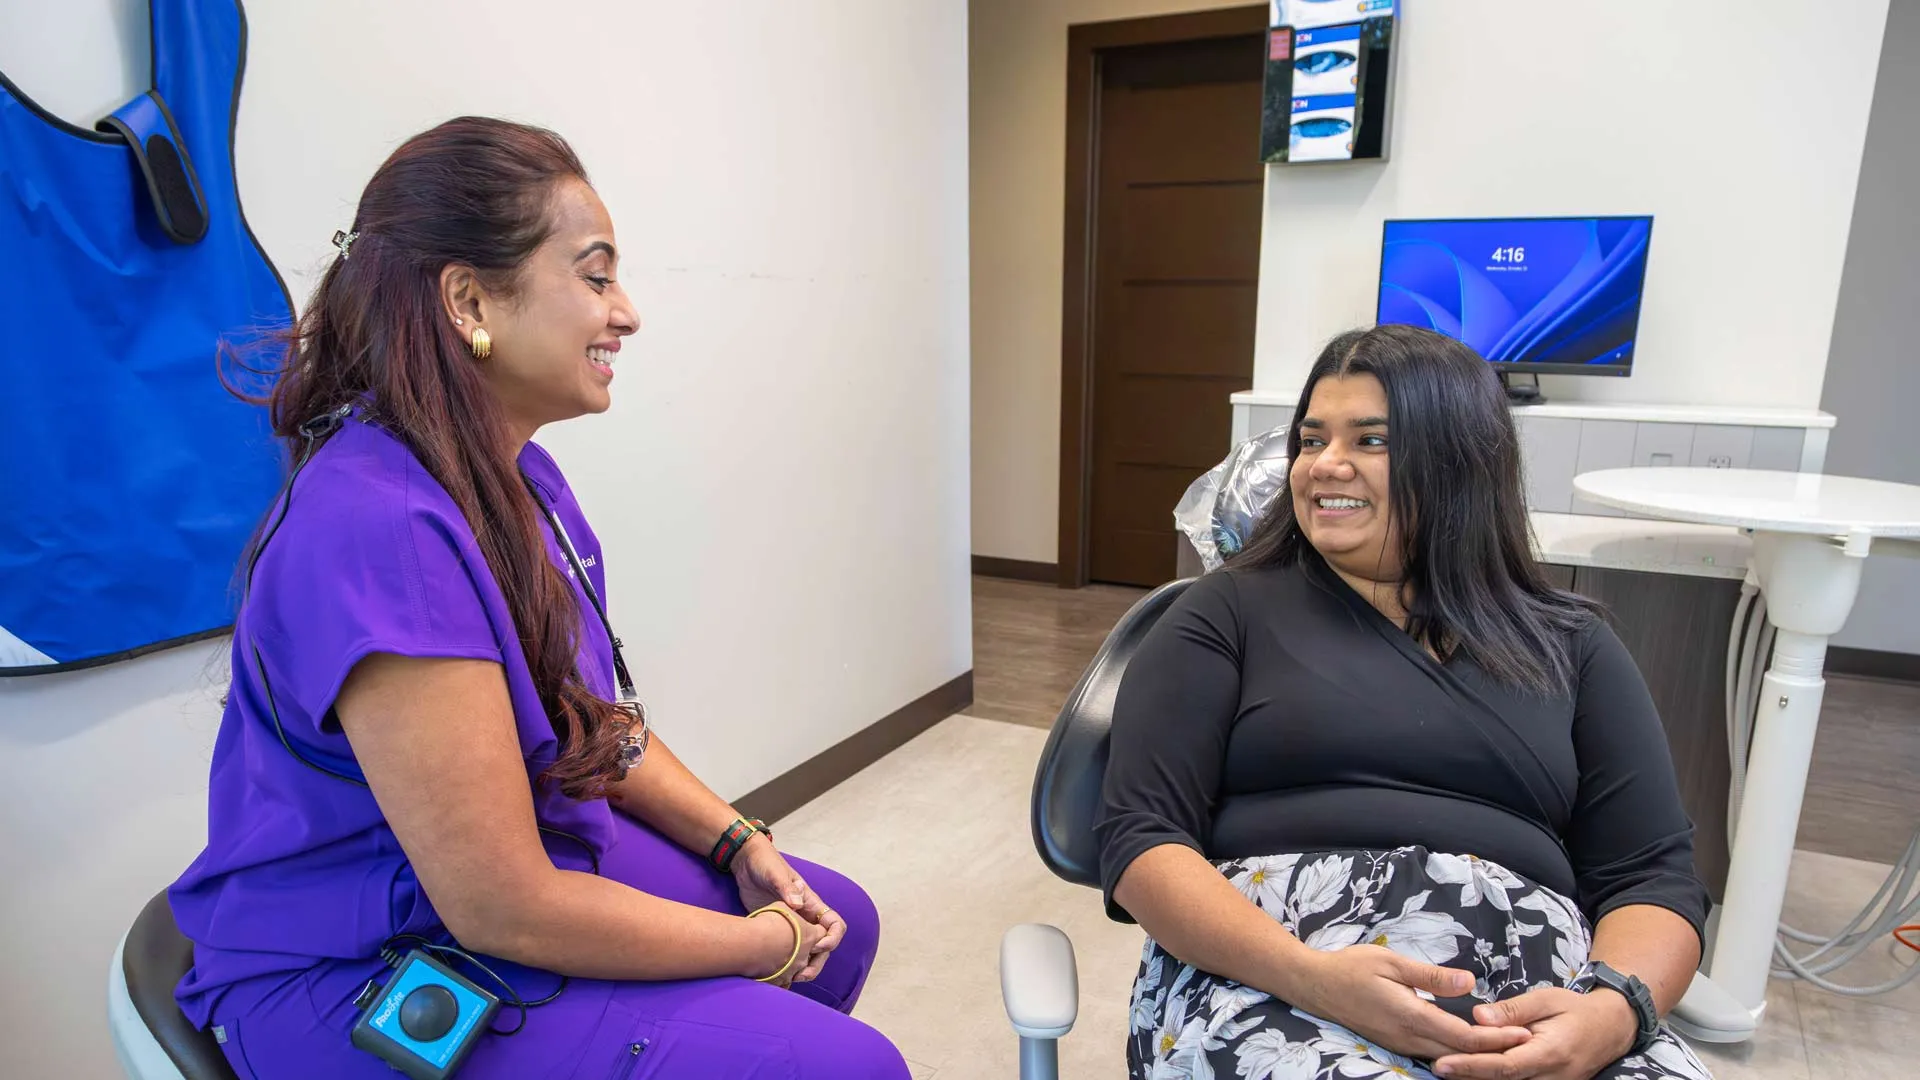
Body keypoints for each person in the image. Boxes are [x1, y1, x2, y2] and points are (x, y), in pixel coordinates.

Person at [168, 117, 910, 1079]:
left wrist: (739, 843)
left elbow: (577, 716)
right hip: (357, 955)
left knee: (839, 926)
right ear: (469, 297)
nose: (628, 313)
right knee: (843, 1064)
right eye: (596, 277)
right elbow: (501, 906)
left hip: (493, 875)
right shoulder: (382, 529)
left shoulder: (515, 475)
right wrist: (761, 946)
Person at [1096, 324, 1715, 1080]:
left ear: (1458, 462)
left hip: (1535, 997)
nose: (1326, 464)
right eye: (1312, 437)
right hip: (1273, 980)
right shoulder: (1223, 615)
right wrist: (1312, 976)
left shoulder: (1572, 645)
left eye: (1371, 440)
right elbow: (1139, 840)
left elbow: (1654, 879)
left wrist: (1612, 1014)